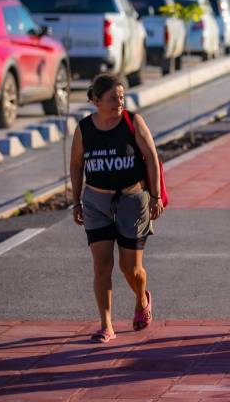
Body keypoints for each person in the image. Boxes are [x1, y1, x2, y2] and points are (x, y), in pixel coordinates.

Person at [70, 74, 164, 344]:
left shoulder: (132, 122)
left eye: (122, 96)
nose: (119, 102)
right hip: (96, 202)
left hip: (132, 200)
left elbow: (152, 157)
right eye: (113, 98)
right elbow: (76, 165)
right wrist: (76, 200)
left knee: (130, 267)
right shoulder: (84, 128)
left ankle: (141, 297)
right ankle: (106, 325)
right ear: (96, 100)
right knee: (101, 265)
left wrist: (155, 196)